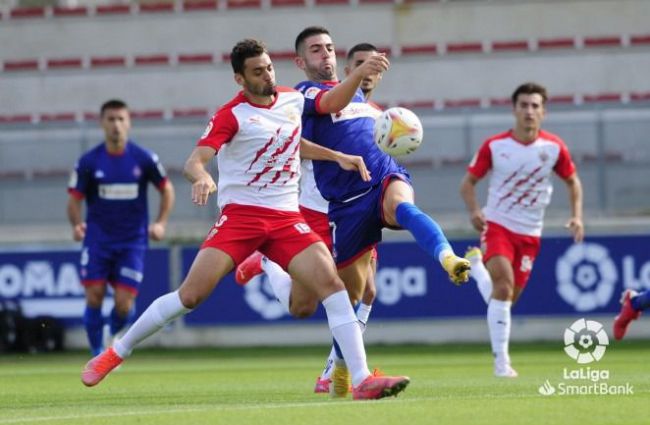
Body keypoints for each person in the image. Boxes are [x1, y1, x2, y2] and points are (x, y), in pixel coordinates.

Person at [80, 39, 410, 401]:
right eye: (257, 71)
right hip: (242, 218)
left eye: (269, 67)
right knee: (191, 295)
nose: (267, 75)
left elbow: (296, 136)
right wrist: (203, 178)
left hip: (286, 218)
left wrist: (336, 156)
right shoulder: (231, 115)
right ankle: (116, 352)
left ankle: (361, 379)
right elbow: (195, 161)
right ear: (240, 79)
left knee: (333, 288)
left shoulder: (291, 99)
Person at [293, 26, 471, 397]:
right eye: (316, 50)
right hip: (345, 204)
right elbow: (330, 105)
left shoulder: (370, 106)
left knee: (402, 204)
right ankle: (340, 369)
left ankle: (448, 256)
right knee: (351, 293)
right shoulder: (305, 93)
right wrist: (359, 72)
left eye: (328, 46)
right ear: (301, 61)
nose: (324, 54)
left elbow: (377, 130)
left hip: (383, 177)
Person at [234, 42, 385, 394]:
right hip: (316, 208)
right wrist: (337, 157)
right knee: (302, 306)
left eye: (330, 48)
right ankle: (269, 261)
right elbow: (295, 136)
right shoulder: (306, 96)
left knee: (367, 291)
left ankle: (332, 372)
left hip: (357, 207)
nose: (367, 71)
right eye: (359, 65)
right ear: (349, 71)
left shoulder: (375, 113)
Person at [459, 82, 584, 378]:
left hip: (531, 233)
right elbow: (467, 184)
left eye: (535, 106)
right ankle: (501, 363)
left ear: (544, 112)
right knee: (503, 286)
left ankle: (476, 269)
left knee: (504, 300)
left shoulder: (553, 147)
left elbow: (573, 182)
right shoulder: (495, 145)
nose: (529, 111)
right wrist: (476, 211)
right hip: (498, 225)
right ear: (514, 109)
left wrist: (577, 217)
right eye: (524, 105)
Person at [67, 99, 175, 356]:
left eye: (120, 119)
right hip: (97, 240)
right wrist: (76, 224)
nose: (116, 125)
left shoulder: (144, 158)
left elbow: (167, 190)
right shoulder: (89, 161)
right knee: (93, 296)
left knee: (124, 307)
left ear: (129, 123)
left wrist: (160, 223)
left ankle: (110, 333)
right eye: (111, 119)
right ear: (102, 123)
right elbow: (74, 199)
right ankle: (97, 352)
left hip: (132, 241)